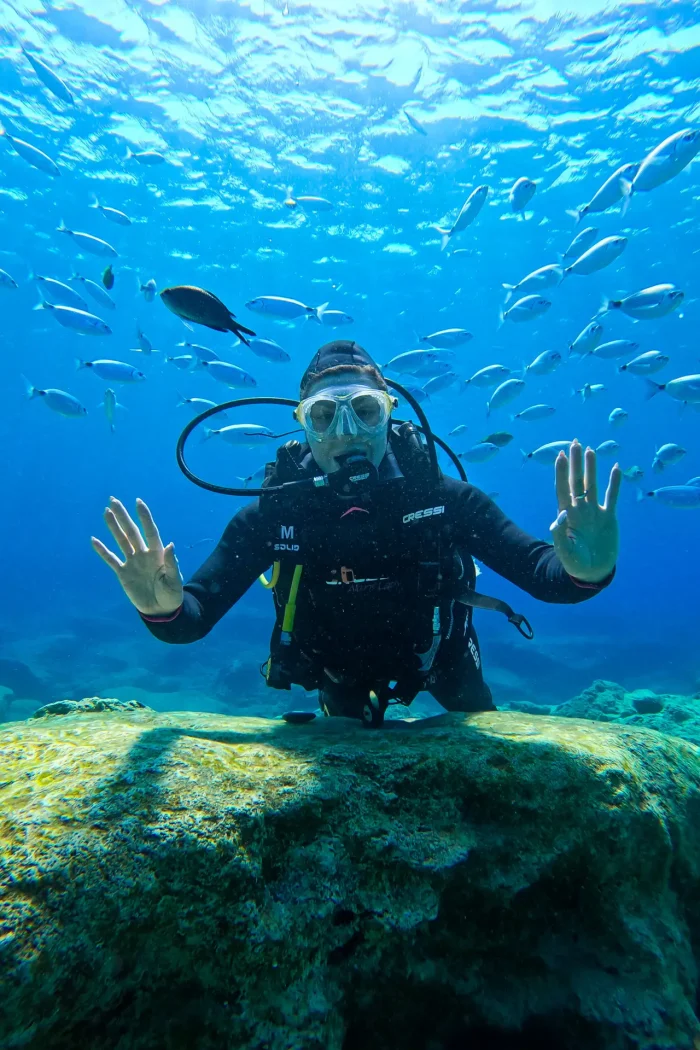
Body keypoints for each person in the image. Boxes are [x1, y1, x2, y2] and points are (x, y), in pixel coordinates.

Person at [92, 340, 621, 727]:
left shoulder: (442, 497)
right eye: (325, 417)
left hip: (442, 656)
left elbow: (545, 576)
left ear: (390, 414)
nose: (346, 433)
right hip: (335, 670)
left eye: (364, 410)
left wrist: (586, 567)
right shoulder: (275, 516)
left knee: (479, 731)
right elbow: (191, 620)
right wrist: (160, 606)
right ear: (303, 427)